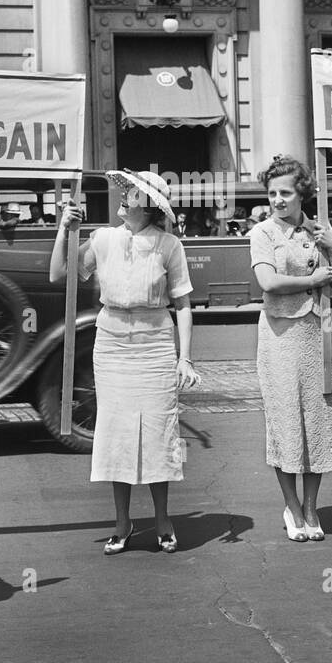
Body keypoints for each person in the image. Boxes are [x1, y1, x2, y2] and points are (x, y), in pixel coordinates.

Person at [50, 168, 200, 554]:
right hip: (112, 344)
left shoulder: (169, 246)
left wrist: (185, 359)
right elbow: (60, 274)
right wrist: (64, 230)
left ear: (148, 205)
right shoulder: (102, 239)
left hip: (155, 346)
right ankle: (121, 522)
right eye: (126, 190)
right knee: (116, 434)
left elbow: (183, 305)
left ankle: (162, 519)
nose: (124, 196)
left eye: (132, 193)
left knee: (157, 430)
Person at [249, 155, 332, 542]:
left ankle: (311, 508)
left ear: (301, 194)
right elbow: (268, 283)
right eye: (272, 193)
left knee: (318, 420)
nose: (277, 200)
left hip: (318, 331)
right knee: (286, 420)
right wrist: (311, 278)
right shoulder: (263, 234)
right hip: (279, 338)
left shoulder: (318, 229)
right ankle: (291, 508)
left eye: (285, 193)